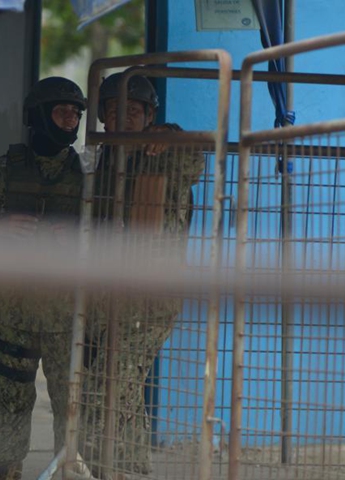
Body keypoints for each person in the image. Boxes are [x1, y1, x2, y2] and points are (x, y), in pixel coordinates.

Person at [0, 77, 87, 480]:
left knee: (72, 405)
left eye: (76, 113)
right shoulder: (1, 172)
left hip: (68, 315)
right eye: (61, 111)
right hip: (10, 313)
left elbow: (113, 233)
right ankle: (9, 472)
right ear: (37, 117)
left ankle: (69, 469)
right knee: (12, 403)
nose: (70, 119)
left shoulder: (90, 174)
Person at [81, 72, 204, 477]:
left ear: (150, 116)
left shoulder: (162, 151)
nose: (125, 119)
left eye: (135, 111)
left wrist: (173, 134)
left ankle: (105, 470)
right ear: (103, 117)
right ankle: (130, 468)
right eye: (116, 111)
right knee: (121, 389)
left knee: (107, 385)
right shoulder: (99, 159)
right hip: (102, 295)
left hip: (150, 298)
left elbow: (193, 161)